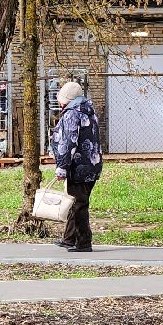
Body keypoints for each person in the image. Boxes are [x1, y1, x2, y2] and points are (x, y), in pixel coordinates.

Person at [49, 79, 102, 252]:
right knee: (76, 201)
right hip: (92, 164)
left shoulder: (72, 114)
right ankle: (69, 238)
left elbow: (68, 142)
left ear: (68, 99)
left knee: (78, 204)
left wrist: (62, 167)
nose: (59, 101)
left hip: (78, 167)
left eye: (61, 98)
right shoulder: (89, 111)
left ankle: (84, 242)